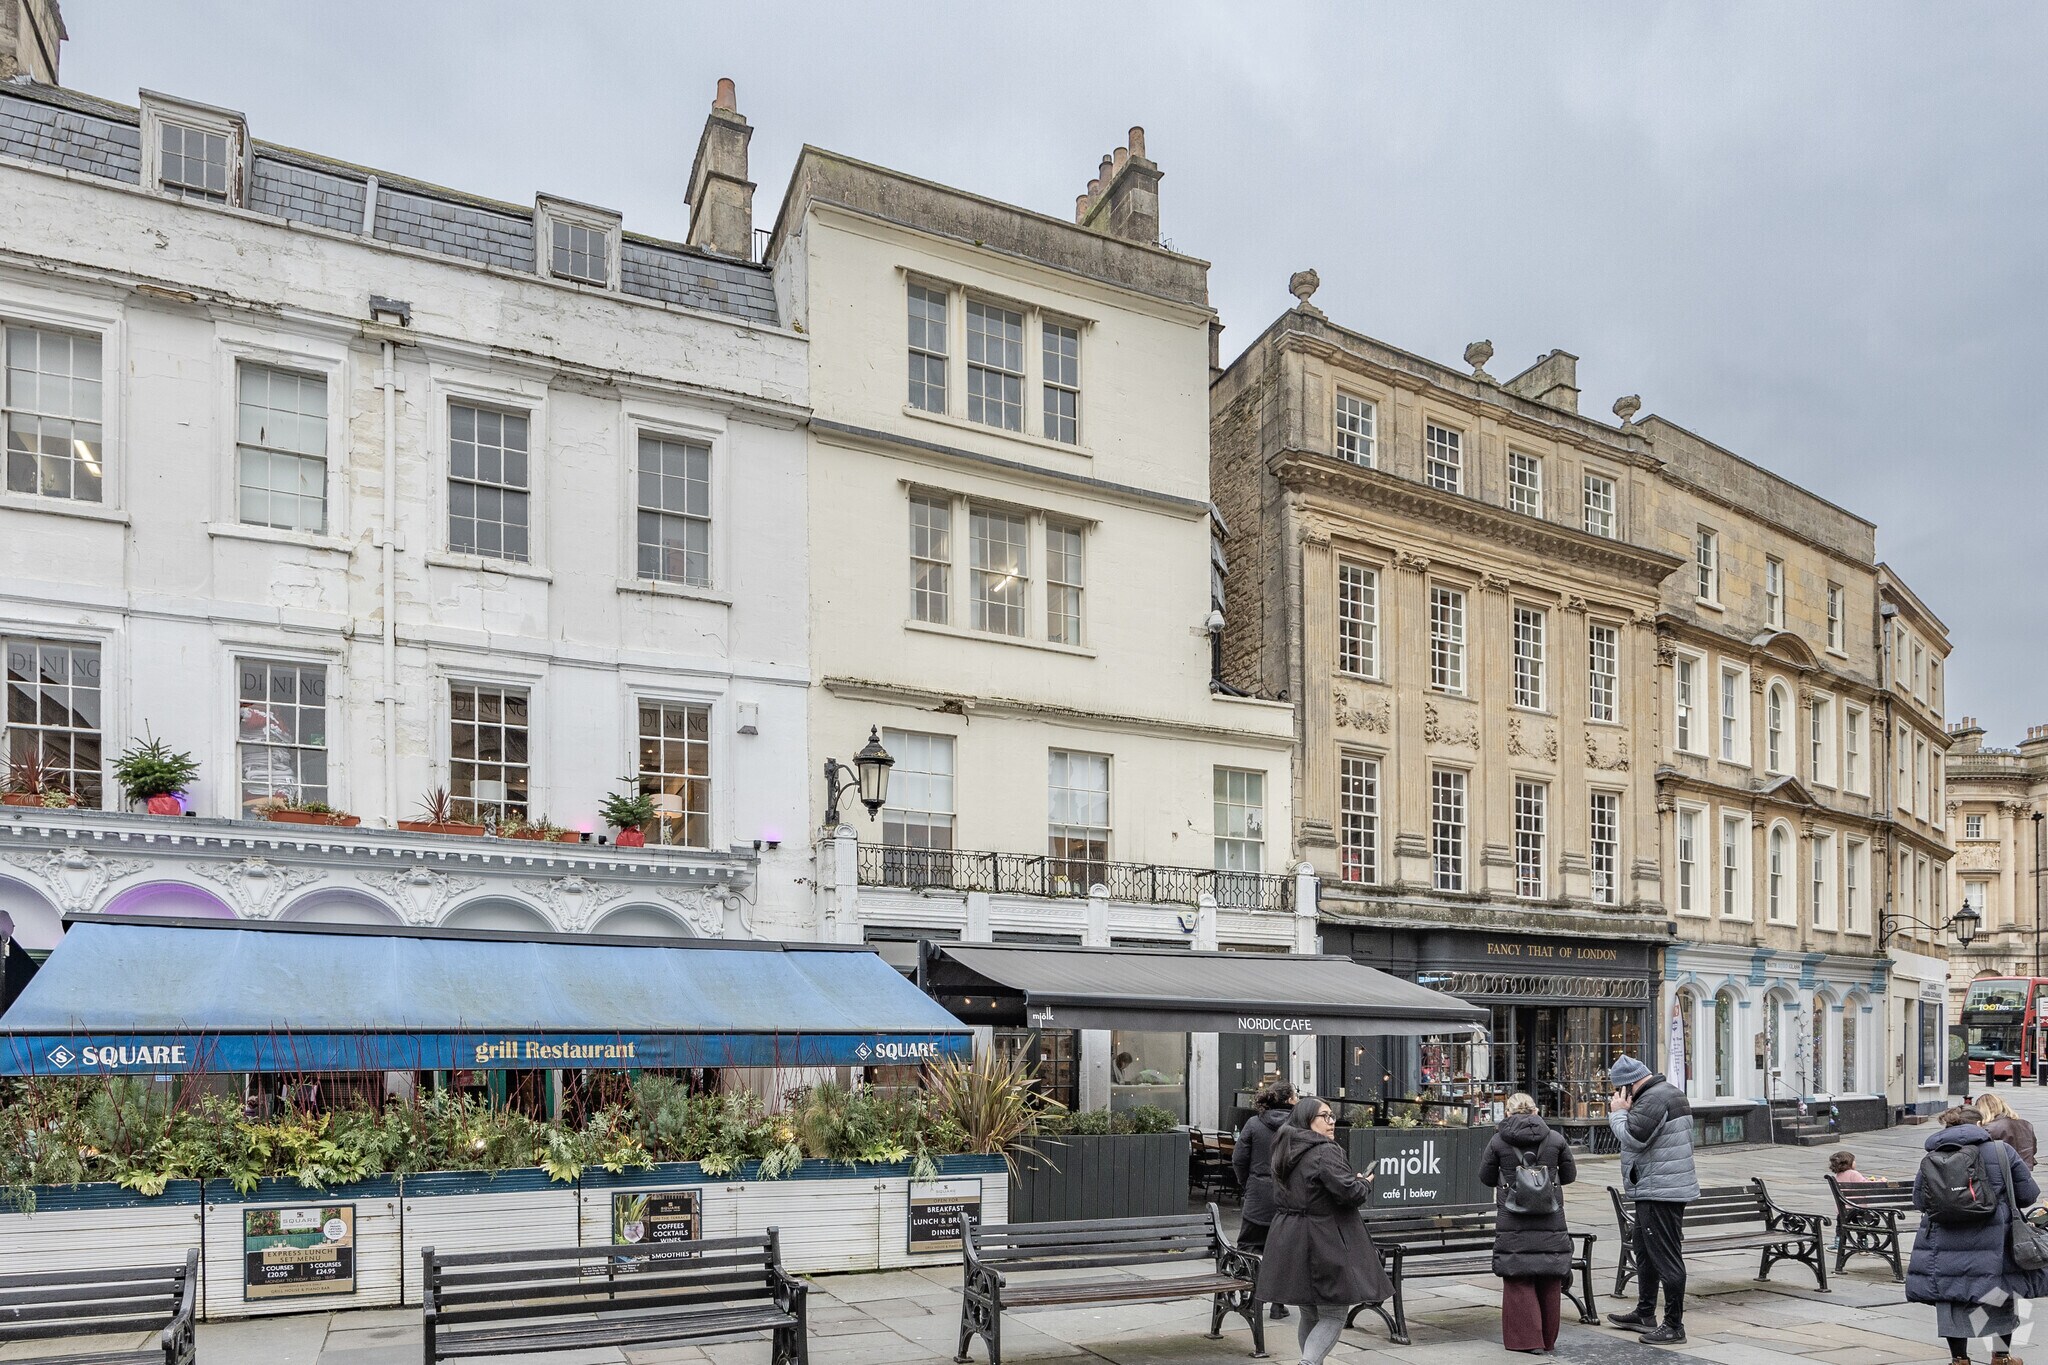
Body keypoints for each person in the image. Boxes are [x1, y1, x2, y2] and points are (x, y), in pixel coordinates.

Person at [1256, 1095, 1393, 1365]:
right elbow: (1350, 1193)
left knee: (1310, 1312)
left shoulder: (1284, 1147)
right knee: (1333, 1313)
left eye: (1332, 1116)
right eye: (1325, 1116)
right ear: (1308, 1120)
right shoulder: (1325, 1150)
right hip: (1322, 1238)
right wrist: (1364, 1183)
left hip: (1289, 1236)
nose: (1332, 1122)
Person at [1908, 1104, 2046, 1365]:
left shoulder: (1932, 1157)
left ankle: (1959, 1359)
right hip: (1994, 1243)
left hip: (1945, 1243)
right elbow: (2028, 1194)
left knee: (1951, 1298)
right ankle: (2001, 1357)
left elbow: (1919, 1201)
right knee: (1998, 1296)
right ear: (1979, 1125)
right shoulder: (2001, 1151)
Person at [1603, 1054, 1698, 1346]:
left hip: (1660, 1190)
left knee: (1666, 1258)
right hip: (1656, 1186)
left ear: (1627, 1087)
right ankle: (1645, 1313)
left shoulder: (1654, 1099)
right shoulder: (1666, 1092)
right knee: (1644, 1251)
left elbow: (1633, 1137)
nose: (1616, 1096)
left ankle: (1673, 1326)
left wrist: (1618, 1112)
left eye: (1617, 1091)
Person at [1479, 1092, 1578, 1355]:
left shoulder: (1498, 1141)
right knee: (1549, 1276)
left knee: (1518, 1276)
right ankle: (1547, 1339)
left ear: (1508, 1113)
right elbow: (1569, 1175)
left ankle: (1526, 1340)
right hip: (1550, 1218)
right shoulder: (1555, 1139)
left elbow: (1486, 1177)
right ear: (1535, 1111)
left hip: (1514, 1220)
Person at [1234, 1079, 1299, 1321]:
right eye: (1296, 1095)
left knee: (1248, 1247)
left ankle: (1249, 1299)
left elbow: (1239, 1159)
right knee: (1282, 1251)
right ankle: (1277, 1304)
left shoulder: (1253, 1123)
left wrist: (1248, 1183)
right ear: (1290, 1099)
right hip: (1287, 1198)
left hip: (1257, 1198)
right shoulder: (1300, 1126)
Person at [1977, 1091, 2038, 1169]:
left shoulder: (1989, 1128)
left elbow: (1983, 1153)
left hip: (2000, 1170)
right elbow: (2033, 1149)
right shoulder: (2026, 1124)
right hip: (2023, 1169)